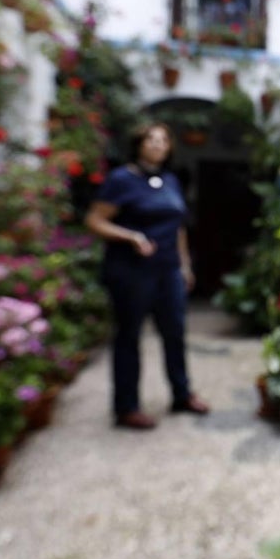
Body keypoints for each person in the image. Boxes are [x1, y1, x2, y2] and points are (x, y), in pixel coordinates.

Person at [84, 121, 210, 430]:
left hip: (167, 270)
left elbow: (177, 226)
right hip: (131, 271)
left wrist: (184, 265)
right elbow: (95, 221)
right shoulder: (121, 179)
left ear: (169, 147)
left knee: (175, 333)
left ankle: (182, 394)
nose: (157, 144)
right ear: (139, 144)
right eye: (151, 139)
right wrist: (131, 237)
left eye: (163, 140)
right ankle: (127, 407)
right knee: (129, 336)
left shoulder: (170, 181)